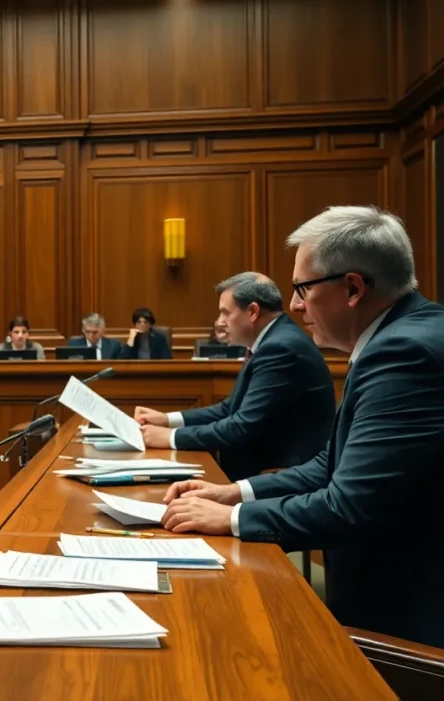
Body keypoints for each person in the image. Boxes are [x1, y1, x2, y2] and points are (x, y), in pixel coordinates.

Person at [160, 206, 444, 647]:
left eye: (302, 289)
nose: (293, 305)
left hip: (407, 626)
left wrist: (231, 518)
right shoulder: (406, 334)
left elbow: (348, 505)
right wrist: (231, 493)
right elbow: (330, 464)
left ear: (352, 288)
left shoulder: (403, 355)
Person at [135, 273, 335, 480]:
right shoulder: (273, 340)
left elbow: (241, 426)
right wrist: (166, 419)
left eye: (225, 313)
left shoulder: (280, 347)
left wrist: (171, 437)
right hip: (264, 468)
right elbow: (229, 408)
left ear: (253, 312)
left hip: (280, 477)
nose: (220, 322)